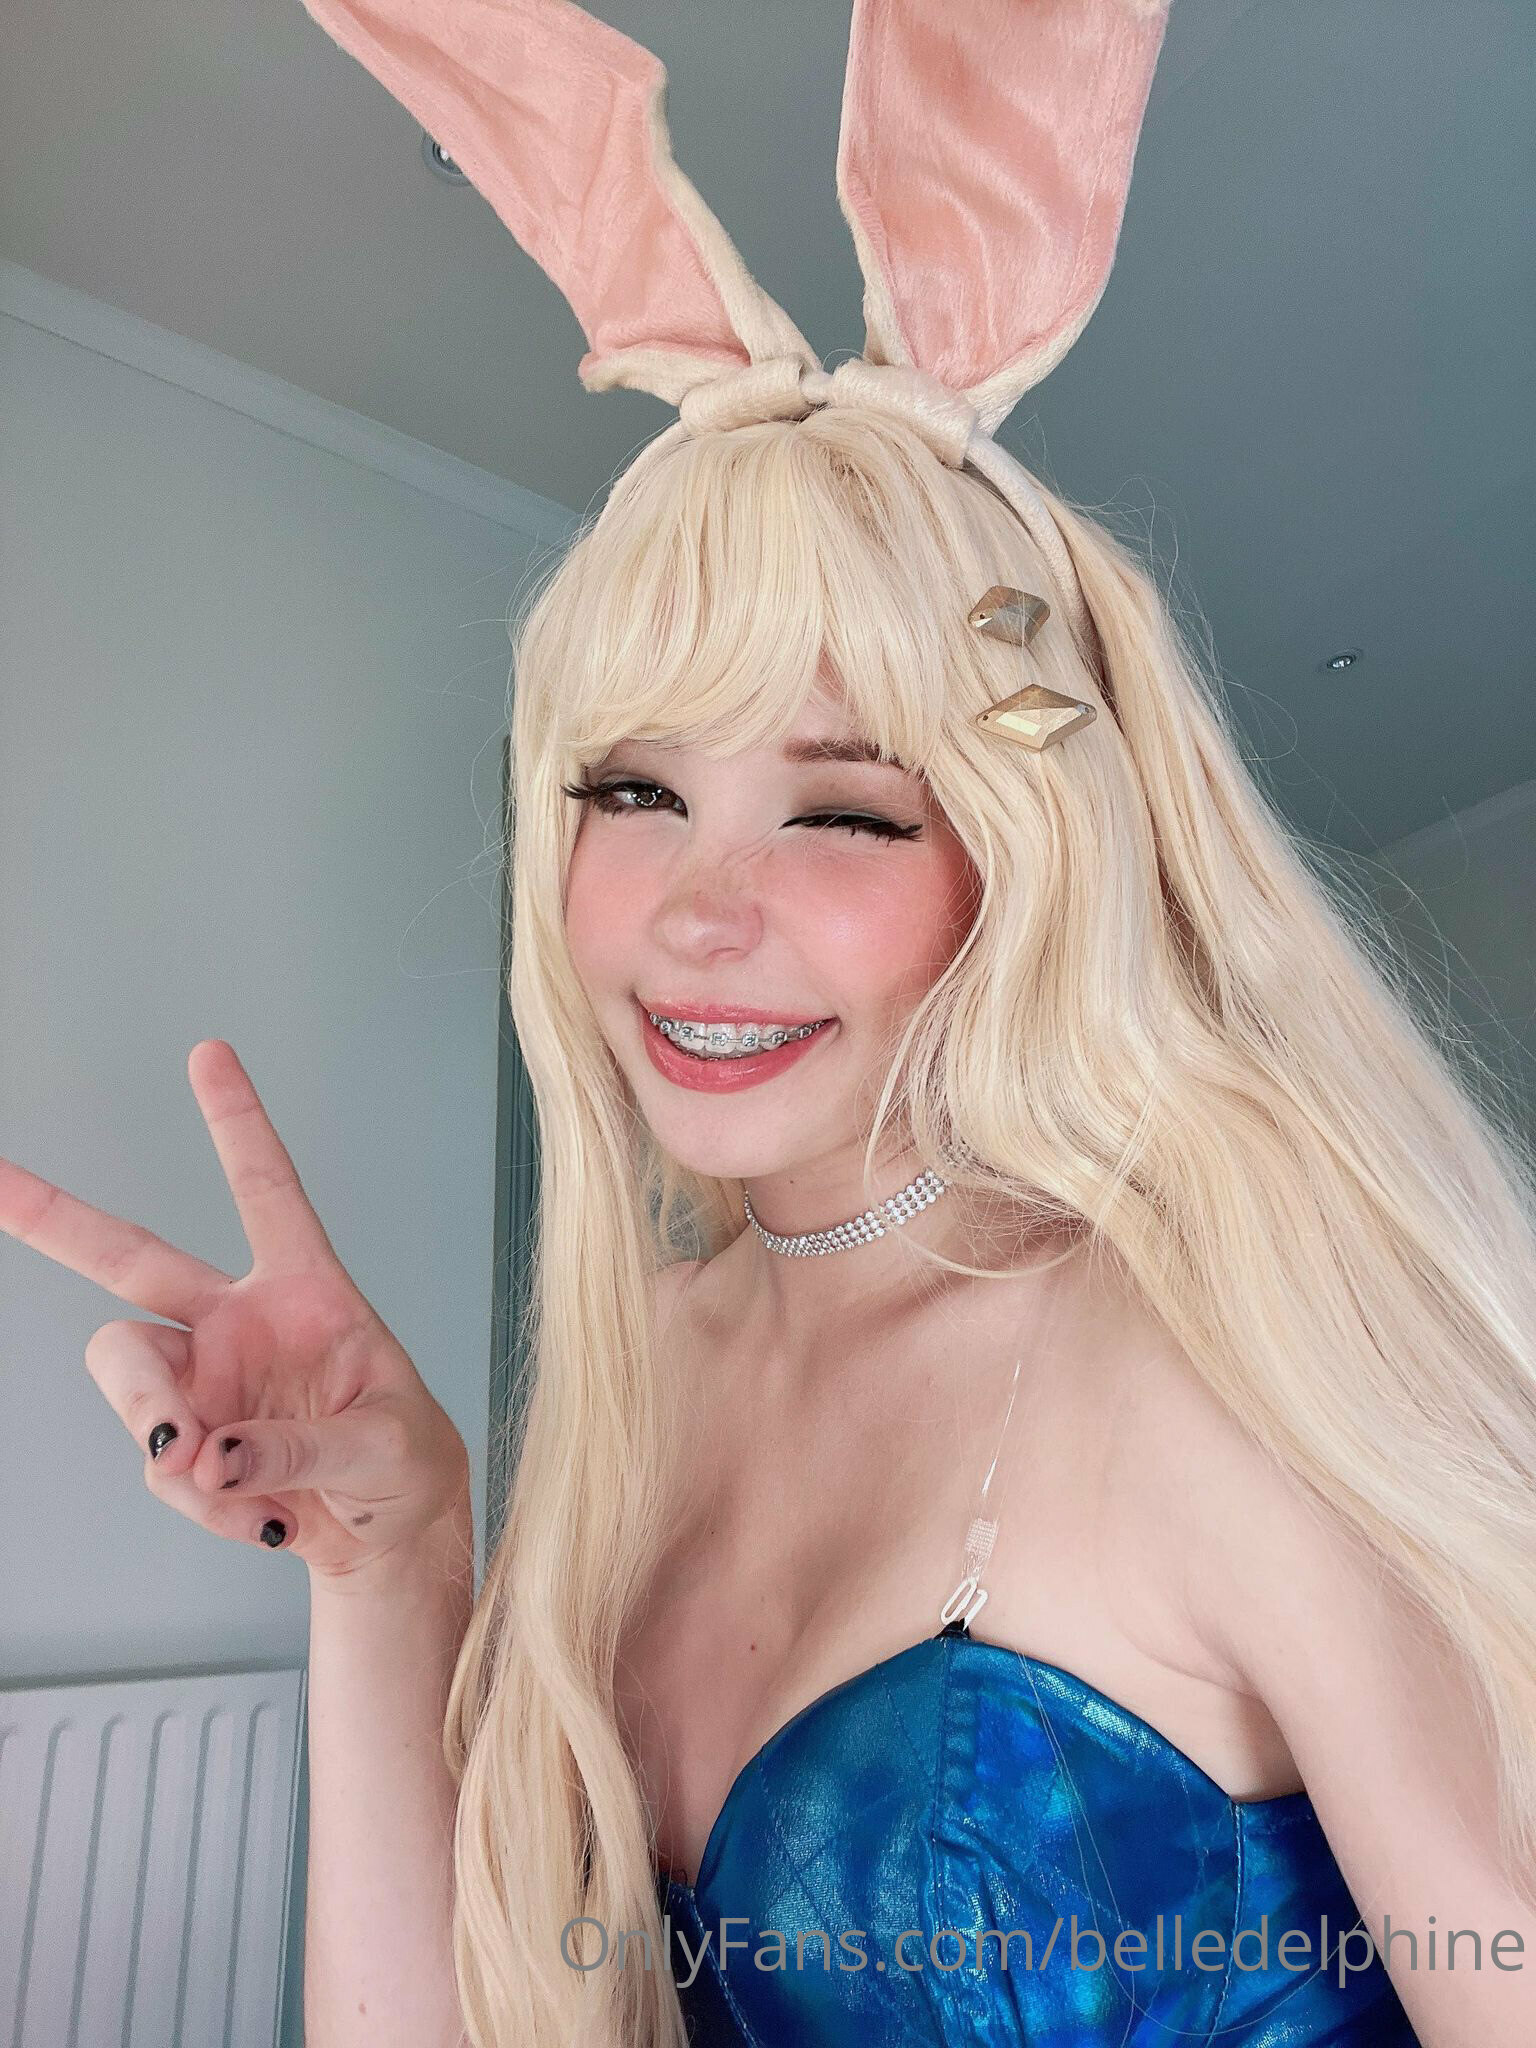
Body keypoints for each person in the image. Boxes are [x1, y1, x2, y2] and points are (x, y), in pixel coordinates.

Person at [3, 1, 1534, 2044]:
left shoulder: (1219, 1369)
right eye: (634, 791)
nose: (699, 912)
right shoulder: (645, 1362)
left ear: (1025, 856)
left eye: (843, 809)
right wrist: (391, 1561)